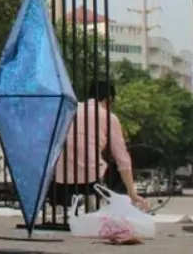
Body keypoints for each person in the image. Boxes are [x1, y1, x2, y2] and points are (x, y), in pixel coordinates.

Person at [52, 80, 150, 211]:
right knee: (120, 162)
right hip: (90, 180)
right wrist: (132, 192)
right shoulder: (109, 117)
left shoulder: (71, 110)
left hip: (59, 178)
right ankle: (115, 202)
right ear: (109, 99)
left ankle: (72, 200)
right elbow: (122, 158)